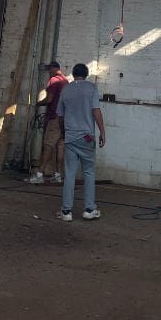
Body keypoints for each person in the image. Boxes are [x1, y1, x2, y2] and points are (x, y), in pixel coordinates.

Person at [56, 62, 105, 221]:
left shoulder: (66, 89)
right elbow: (96, 110)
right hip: (87, 137)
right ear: (86, 74)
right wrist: (102, 131)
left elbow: (60, 116)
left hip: (71, 137)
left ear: (73, 73)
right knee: (89, 172)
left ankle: (66, 212)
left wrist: (64, 133)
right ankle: (89, 209)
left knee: (70, 174)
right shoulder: (91, 88)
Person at [29, 62, 68, 185]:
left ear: (53, 69)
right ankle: (58, 175)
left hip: (54, 118)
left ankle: (40, 174)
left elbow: (50, 99)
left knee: (48, 146)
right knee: (60, 147)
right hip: (64, 119)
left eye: (49, 70)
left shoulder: (54, 80)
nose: (48, 73)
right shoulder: (66, 81)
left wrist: (38, 103)